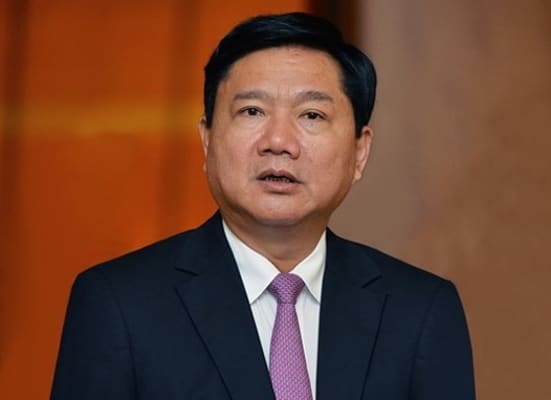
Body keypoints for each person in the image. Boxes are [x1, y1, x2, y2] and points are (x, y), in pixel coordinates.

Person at [51, 12, 475, 400]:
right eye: (252, 111)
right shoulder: (119, 304)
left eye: (311, 115)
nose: (279, 142)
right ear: (207, 139)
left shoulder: (420, 311)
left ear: (360, 151)